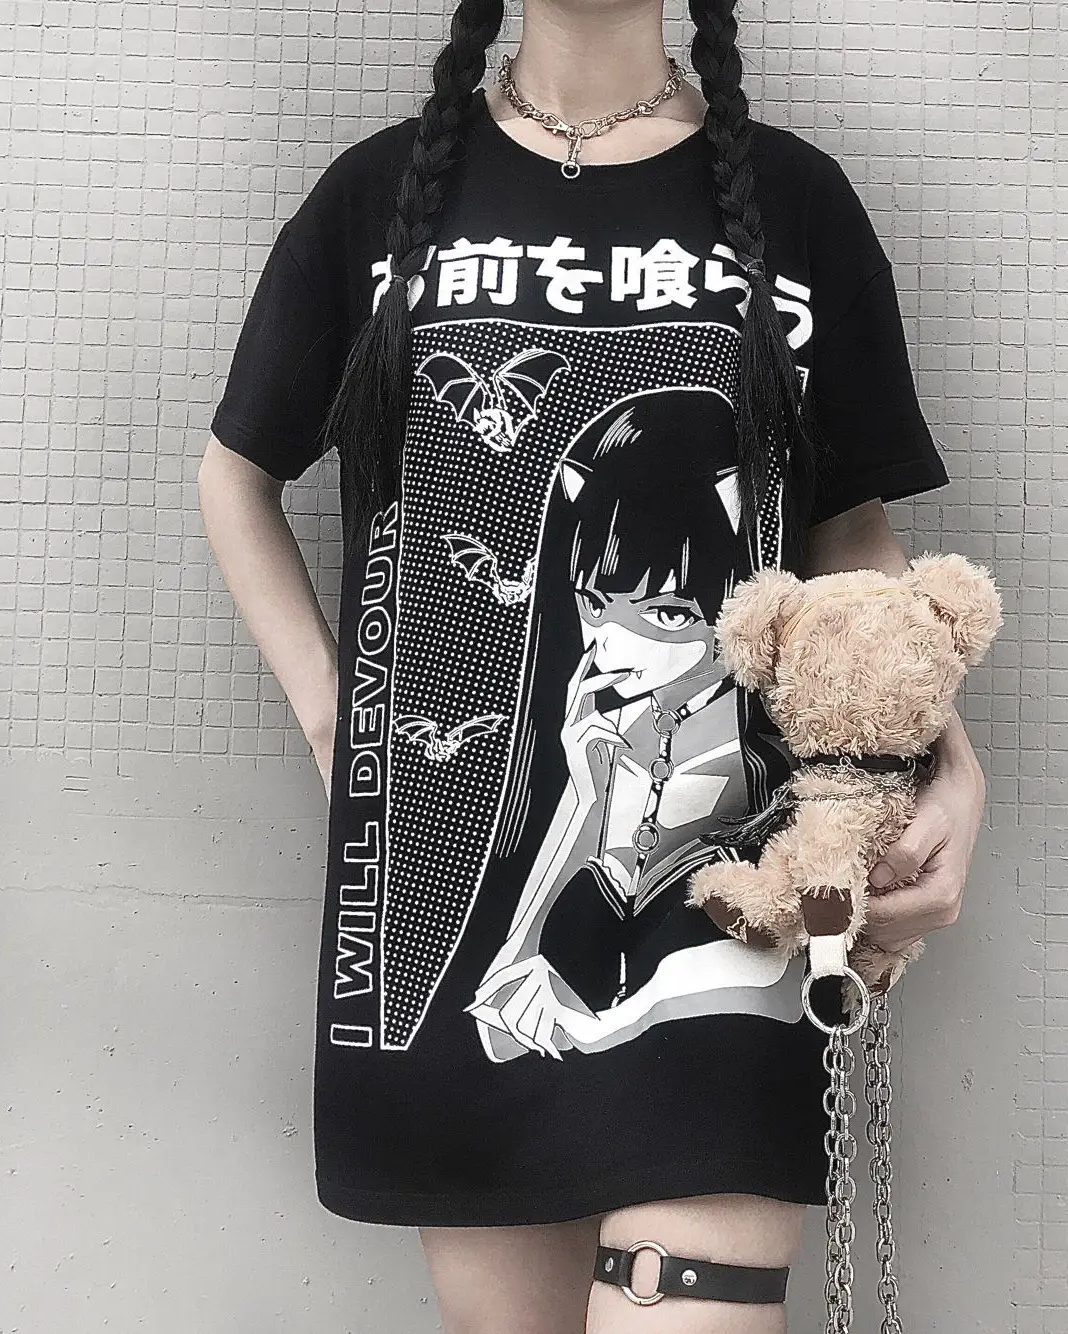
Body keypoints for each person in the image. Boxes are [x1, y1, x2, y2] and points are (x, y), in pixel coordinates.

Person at [198, 3, 990, 1330]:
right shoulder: (380, 198)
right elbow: (236, 475)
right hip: (455, 936)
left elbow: (848, 536)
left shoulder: (794, 204)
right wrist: (337, 720)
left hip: (747, 896)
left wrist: (943, 757)